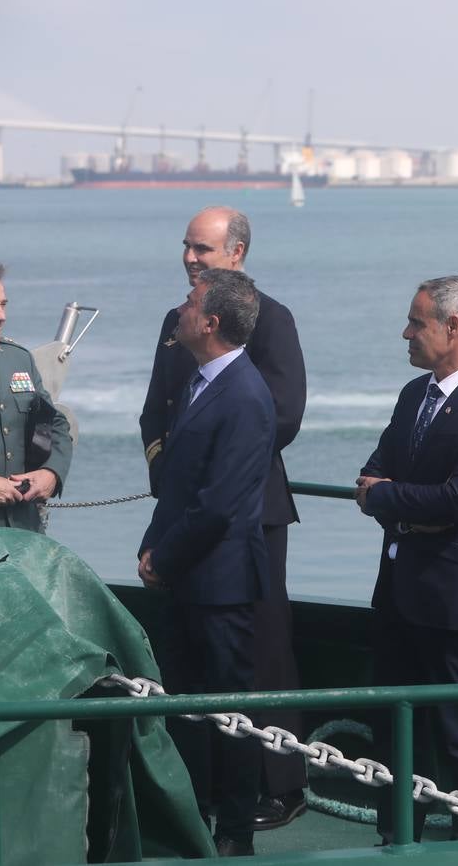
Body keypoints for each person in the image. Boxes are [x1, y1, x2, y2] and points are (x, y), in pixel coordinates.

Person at [138, 206, 309, 830]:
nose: (190, 258)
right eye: (186, 246)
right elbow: (156, 410)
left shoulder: (270, 320)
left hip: (249, 510)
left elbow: (281, 414)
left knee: (261, 648)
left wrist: (217, 474)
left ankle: (281, 783)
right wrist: (171, 472)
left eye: (203, 250)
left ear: (236, 254)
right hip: (185, 508)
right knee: (188, 662)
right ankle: (203, 788)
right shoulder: (174, 323)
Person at [355, 277, 458, 842]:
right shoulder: (413, 394)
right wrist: (398, 503)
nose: (406, 332)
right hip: (399, 588)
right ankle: (396, 840)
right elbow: (370, 475)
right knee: (394, 731)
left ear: (454, 327)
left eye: (417, 322)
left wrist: (390, 497)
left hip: (455, 599)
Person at [137, 269, 275, 858]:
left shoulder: (244, 394)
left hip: (219, 583)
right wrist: (153, 546)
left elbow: (218, 504)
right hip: (188, 575)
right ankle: (194, 816)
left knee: (230, 712)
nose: (182, 309)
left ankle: (235, 832)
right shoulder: (202, 383)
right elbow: (178, 487)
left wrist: (162, 557)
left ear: (211, 322)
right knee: (187, 707)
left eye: (191, 303)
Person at [0, 262, 73, 530]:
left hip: (23, 529)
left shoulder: (18, 359)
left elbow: (54, 424)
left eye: (3, 304)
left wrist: (52, 472)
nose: (1, 316)